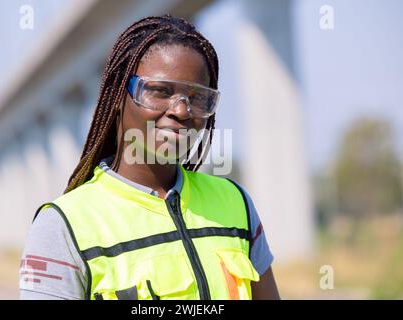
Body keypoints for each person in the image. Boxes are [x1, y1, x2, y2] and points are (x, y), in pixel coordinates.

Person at [19, 14, 279, 300]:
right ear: (118, 95)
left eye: (196, 97)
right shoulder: (63, 225)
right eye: (159, 91)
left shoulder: (236, 204)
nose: (181, 111)